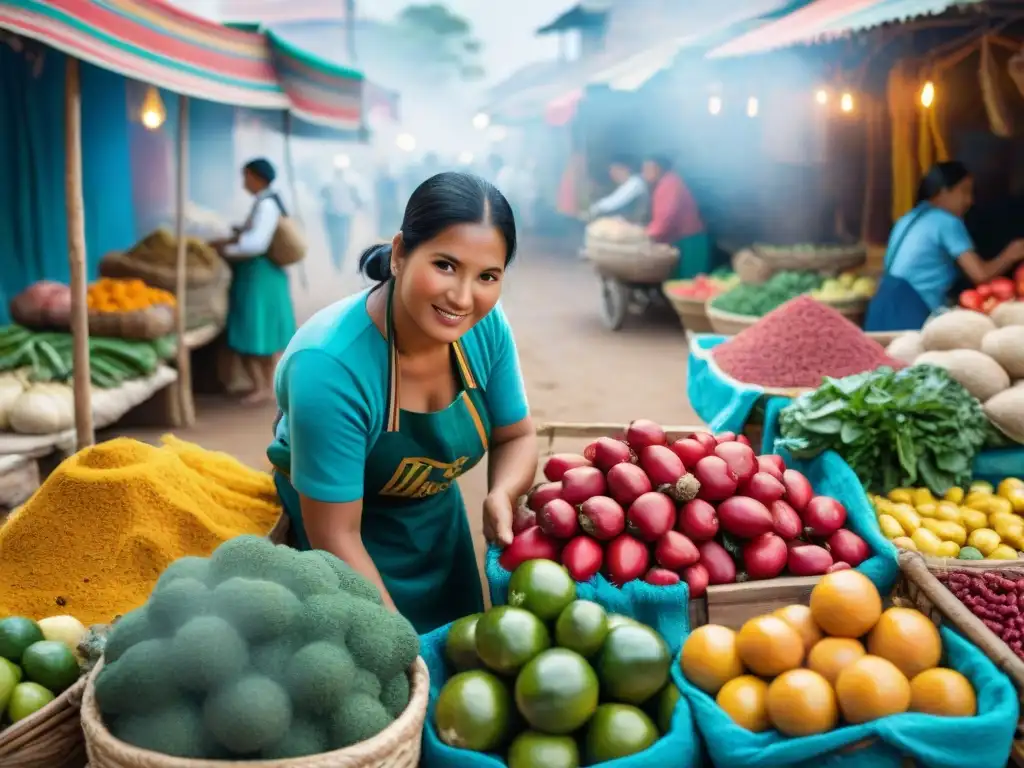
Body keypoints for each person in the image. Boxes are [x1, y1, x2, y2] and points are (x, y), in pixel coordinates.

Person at [267, 172, 537, 634]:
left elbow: (516, 434)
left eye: (487, 276)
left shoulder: (485, 329)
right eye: (446, 265)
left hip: (438, 531)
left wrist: (502, 493)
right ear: (399, 255)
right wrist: (400, 642)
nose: (463, 297)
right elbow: (336, 534)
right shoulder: (329, 367)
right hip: (347, 548)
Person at [865, 161, 1024, 331]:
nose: (969, 201)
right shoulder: (947, 222)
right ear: (942, 192)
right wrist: (1010, 254)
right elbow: (980, 274)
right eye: (964, 192)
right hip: (908, 312)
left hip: (880, 308)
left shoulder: (907, 218)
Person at [213, 158, 296, 404]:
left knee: (257, 331)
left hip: (259, 277)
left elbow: (255, 244)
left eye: (245, 176)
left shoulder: (266, 205)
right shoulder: (266, 203)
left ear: (254, 176)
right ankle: (263, 386)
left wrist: (225, 250)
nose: (243, 183)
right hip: (260, 277)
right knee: (261, 331)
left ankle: (263, 387)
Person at [642, 155, 709, 279]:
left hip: (690, 242)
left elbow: (666, 217)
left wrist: (645, 236)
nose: (644, 173)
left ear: (659, 169)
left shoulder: (670, 184)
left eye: (647, 169)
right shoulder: (665, 183)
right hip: (681, 240)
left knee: (690, 283)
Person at [321, 166, 364, 272]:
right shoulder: (329, 184)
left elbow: (357, 198)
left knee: (341, 239)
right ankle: (338, 261)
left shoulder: (348, 185)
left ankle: (339, 261)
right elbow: (322, 195)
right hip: (335, 215)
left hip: (342, 215)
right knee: (338, 239)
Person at [588, 155, 649, 222]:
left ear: (625, 169)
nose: (612, 173)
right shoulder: (625, 184)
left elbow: (615, 201)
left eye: (615, 169)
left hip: (637, 225)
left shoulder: (635, 182)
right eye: (610, 170)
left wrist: (595, 208)